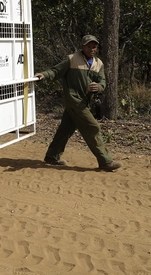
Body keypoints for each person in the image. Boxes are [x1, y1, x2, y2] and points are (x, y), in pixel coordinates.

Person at [35, 35, 122, 172]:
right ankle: (105, 161)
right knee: (92, 127)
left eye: (94, 46)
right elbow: (56, 71)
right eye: (88, 46)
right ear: (82, 46)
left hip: (84, 102)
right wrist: (44, 75)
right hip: (74, 100)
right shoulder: (72, 59)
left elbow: (102, 82)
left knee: (65, 129)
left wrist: (98, 87)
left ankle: (52, 156)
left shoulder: (98, 64)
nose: (91, 49)